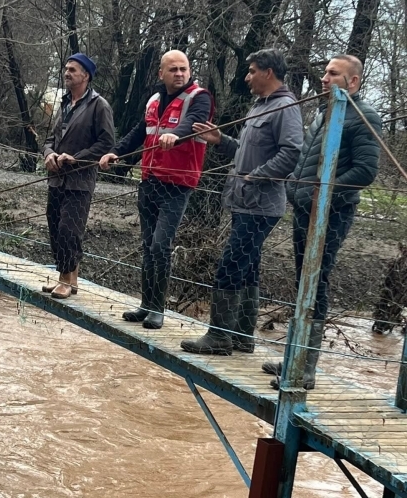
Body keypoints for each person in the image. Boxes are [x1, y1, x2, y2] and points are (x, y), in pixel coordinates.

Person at [262, 54, 381, 389]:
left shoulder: (364, 116)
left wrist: (323, 193)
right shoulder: (322, 113)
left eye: (333, 74)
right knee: (303, 281)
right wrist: (294, 188)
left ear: (353, 81)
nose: (325, 79)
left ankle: (305, 369)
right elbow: (304, 159)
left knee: (316, 282)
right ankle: (293, 357)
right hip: (306, 210)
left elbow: (366, 171)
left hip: (333, 213)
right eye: (325, 73)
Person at [180, 48, 303, 355]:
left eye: (251, 71)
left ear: (268, 73)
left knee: (230, 266)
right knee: (247, 268)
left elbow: (291, 153)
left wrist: (256, 176)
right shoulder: (261, 105)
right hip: (244, 201)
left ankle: (219, 337)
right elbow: (247, 152)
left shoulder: (285, 107)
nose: (247, 77)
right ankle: (242, 336)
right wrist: (221, 140)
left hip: (261, 205)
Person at [99, 50, 213, 329]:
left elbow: (193, 122)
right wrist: (116, 152)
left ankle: (158, 309)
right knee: (148, 246)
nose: (179, 74)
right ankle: (146, 304)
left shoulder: (199, 97)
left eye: (183, 69)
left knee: (161, 245)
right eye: (173, 69)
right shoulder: (153, 101)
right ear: (161, 74)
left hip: (177, 184)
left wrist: (176, 134)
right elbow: (139, 132)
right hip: (149, 180)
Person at [42, 53, 115, 299]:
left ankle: (64, 280)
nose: (67, 73)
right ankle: (70, 278)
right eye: (66, 68)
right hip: (57, 178)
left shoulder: (99, 105)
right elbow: (50, 139)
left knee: (69, 229)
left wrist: (77, 158)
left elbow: (106, 142)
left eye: (72, 70)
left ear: (86, 76)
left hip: (80, 181)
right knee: (54, 226)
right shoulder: (64, 103)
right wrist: (49, 154)